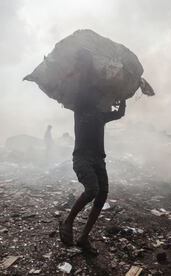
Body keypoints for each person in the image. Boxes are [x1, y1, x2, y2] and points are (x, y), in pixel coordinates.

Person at [59, 96, 126, 255]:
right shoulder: (80, 109)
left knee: (102, 195)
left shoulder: (102, 116)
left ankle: (84, 237)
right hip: (82, 158)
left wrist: (122, 99)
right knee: (92, 190)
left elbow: (120, 113)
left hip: (98, 159)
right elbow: (71, 97)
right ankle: (68, 222)